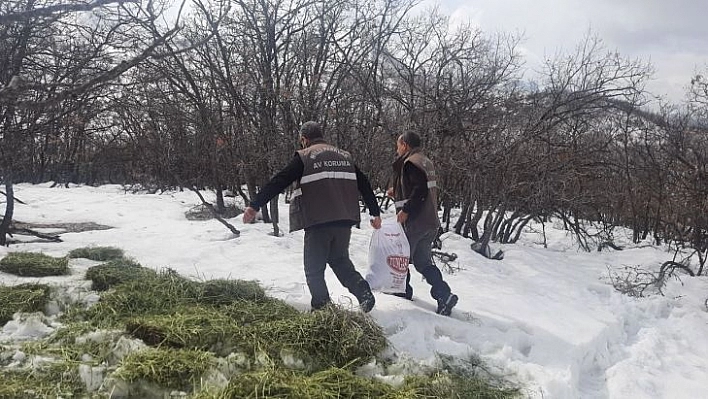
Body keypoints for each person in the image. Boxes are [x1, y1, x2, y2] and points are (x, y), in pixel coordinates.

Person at [242, 121, 382, 312]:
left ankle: (322, 308)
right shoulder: (345, 156)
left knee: (313, 269)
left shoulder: (305, 156)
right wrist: (375, 212)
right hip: (344, 220)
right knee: (340, 261)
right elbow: (364, 183)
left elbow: (280, 180)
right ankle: (363, 292)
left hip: (319, 221)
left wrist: (255, 204)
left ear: (304, 139)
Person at [387, 131, 458, 316]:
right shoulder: (424, 161)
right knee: (423, 262)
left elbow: (419, 192)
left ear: (405, 145)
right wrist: (398, 190)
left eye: (398, 145)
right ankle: (445, 295)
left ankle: (402, 292)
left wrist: (406, 210)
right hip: (430, 222)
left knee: (401, 257)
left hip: (416, 223)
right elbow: (419, 187)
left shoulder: (410, 163)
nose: (397, 149)